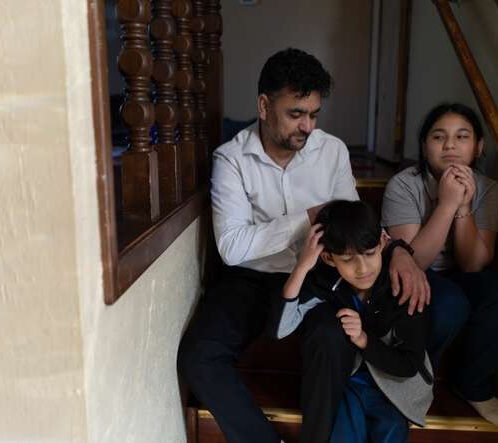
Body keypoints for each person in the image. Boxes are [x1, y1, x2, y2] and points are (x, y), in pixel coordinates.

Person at [177, 48, 429, 443]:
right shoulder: (230, 160)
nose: (307, 126)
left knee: (331, 340)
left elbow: (353, 226)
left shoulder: (332, 151)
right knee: (199, 356)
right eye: (296, 113)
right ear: (264, 105)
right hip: (250, 278)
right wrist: (308, 216)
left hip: (322, 278)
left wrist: (396, 249)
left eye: (313, 114)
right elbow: (231, 246)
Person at [382, 103, 498, 426]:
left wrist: (464, 206)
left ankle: (471, 382)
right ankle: (414, 378)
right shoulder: (403, 185)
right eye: (439, 137)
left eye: (462, 136)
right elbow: (413, 261)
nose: (449, 145)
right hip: (413, 274)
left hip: (459, 275)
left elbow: (473, 265)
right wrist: (447, 203)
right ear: (424, 146)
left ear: (478, 147)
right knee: (449, 304)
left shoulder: (488, 188)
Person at [272, 200, 433, 443]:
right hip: (351, 386)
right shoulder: (328, 281)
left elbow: (409, 365)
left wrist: (364, 340)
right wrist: (303, 266)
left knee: (390, 433)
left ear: (381, 242)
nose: (362, 268)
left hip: (393, 388)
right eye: (347, 260)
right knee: (344, 434)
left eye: (369, 254)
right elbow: (281, 329)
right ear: (327, 258)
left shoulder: (401, 284)